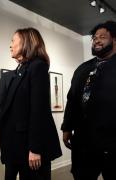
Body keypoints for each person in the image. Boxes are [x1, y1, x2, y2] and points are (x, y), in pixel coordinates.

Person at [0, 27, 62, 180]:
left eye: (13, 40)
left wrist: (35, 149)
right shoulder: (20, 70)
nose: (10, 45)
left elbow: (38, 111)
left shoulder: (37, 66)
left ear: (26, 43)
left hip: (30, 148)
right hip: (16, 146)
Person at [61, 21, 116, 180]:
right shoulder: (82, 69)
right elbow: (71, 99)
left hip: (111, 143)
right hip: (83, 142)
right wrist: (66, 127)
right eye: (94, 38)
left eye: (102, 37)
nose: (97, 40)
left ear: (114, 39)